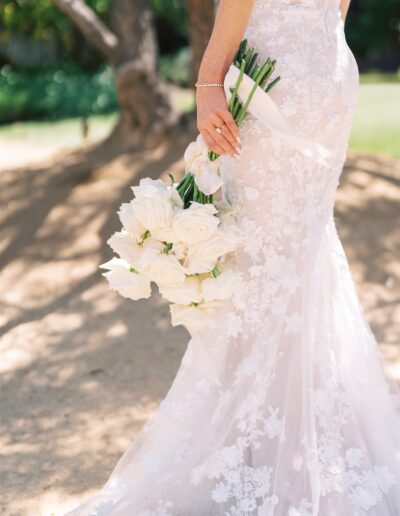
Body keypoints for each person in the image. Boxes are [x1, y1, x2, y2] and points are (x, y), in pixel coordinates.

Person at [66, 0, 400, 514]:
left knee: (263, 250)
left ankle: (264, 439)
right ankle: (302, 432)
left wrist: (208, 82)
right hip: (326, 66)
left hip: (279, 76)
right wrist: (317, 36)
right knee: (301, 244)